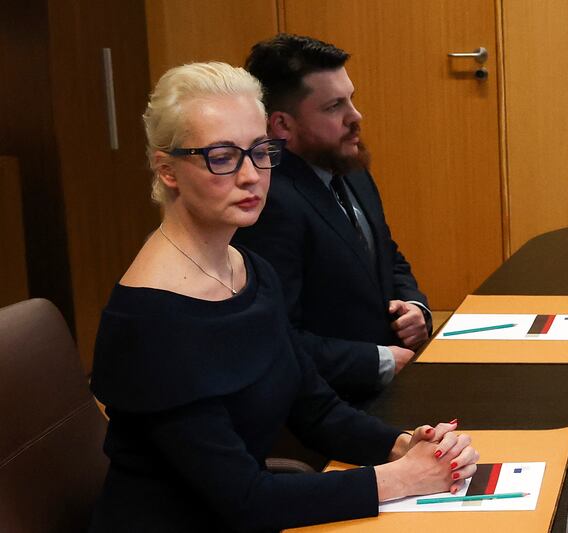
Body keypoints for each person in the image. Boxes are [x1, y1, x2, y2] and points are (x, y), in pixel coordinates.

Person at [88, 62, 477, 532]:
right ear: (167, 169)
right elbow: (247, 499)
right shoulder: (151, 321)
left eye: (260, 151)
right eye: (222, 156)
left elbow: (314, 407)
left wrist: (405, 445)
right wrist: (400, 478)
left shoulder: (249, 269)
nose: (251, 175)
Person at [234, 34, 431, 399]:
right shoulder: (270, 203)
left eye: (351, 99)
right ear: (282, 126)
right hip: (326, 403)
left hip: (387, 383)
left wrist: (414, 307)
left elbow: (387, 254)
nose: (355, 117)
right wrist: (377, 360)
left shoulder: (349, 166)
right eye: (334, 107)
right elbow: (277, 338)